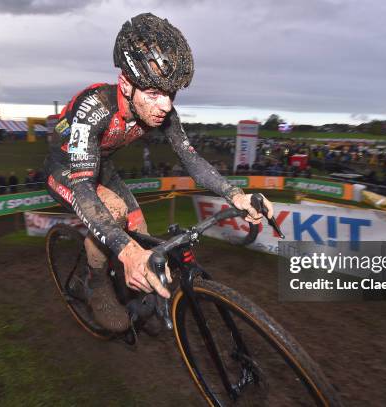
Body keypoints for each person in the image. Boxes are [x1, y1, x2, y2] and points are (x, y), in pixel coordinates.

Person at [43, 13, 274, 333]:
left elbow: (191, 160)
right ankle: (95, 283)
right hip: (67, 168)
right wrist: (126, 252)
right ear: (125, 84)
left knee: (141, 230)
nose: (164, 105)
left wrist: (236, 194)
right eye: (153, 93)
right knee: (114, 215)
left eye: (171, 94)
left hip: (102, 165)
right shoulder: (94, 107)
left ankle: (135, 293)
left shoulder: (162, 110)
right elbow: (84, 187)